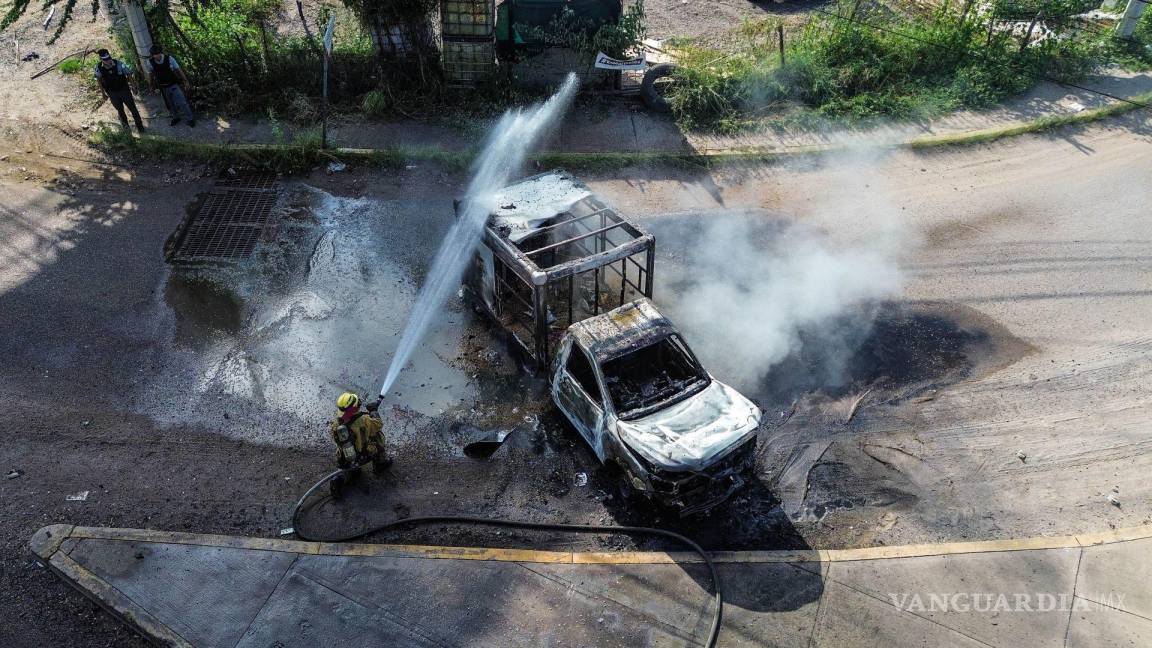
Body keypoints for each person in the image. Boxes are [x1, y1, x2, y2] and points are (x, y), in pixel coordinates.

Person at [328, 392, 391, 497]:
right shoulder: (364, 420)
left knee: (349, 471)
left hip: (345, 457)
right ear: (355, 408)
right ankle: (380, 464)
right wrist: (373, 411)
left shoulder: (336, 423)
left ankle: (340, 479)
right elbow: (378, 424)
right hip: (364, 455)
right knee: (378, 436)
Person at [93, 49, 145, 133]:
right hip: (112, 93)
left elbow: (128, 73)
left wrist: (133, 86)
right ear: (101, 59)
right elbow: (98, 80)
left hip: (124, 91)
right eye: (105, 60)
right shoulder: (98, 68)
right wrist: (103, 94)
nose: (108, 61)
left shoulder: (119, 63)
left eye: (108, 58)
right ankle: (126, 129)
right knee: (120, 111)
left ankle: (140, 127)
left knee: (133, 109)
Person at [146, 45, 196, 127]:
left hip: (173, 85)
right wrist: (151, 86)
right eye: (154, 54)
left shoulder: (169, 59)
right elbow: (150, 75)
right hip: (163, 87)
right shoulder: (150, 62)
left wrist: (185, 81)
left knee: (182, 102)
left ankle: (190, 119)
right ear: (152, 55)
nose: (156, 56)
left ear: (160, 53)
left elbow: (178, 70)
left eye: (157, 54)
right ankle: (176, 117)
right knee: (170, 104)